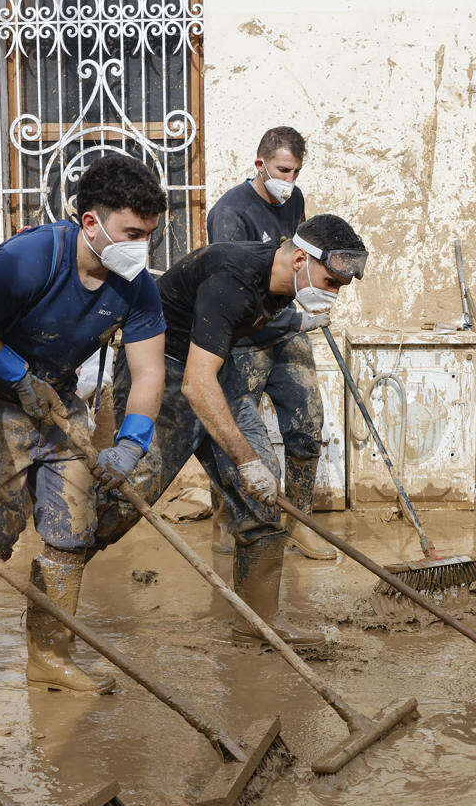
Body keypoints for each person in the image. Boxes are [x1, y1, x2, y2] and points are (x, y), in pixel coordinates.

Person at [0, 154, 168, 696]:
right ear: (90, 223)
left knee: (73, 530)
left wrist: (131, 442)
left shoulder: (136, 285)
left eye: (148, 234)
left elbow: (149, 371)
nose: (140, 247)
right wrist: (17, 376)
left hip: (56, 401)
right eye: (131, 233)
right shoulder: (32, 258)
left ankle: (49, 656)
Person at [93, 215, 368, 648]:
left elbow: (213, 370)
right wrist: (246, 459)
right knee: (130, 493)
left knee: (263, 495)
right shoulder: (232, 280)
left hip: (216, 369)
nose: (333, 294)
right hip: (161, 368)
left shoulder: (281, 284)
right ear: (300, 258)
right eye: (331, 282)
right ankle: (54, 587)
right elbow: (195, 386)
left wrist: (254, 466)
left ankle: (257, 626)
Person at [205, 126, 336, 560]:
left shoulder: (293, 199)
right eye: (283, 169)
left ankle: (299, 522)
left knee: (307, 425)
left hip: (286, 326)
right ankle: (230, 515)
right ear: (260, 165)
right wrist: (296, 318)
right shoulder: (229, 212)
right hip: (245, 337)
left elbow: (300, 259)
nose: (290, 179)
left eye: (296, 171)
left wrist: (313, 297)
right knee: (239, 431)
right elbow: (232, 292)